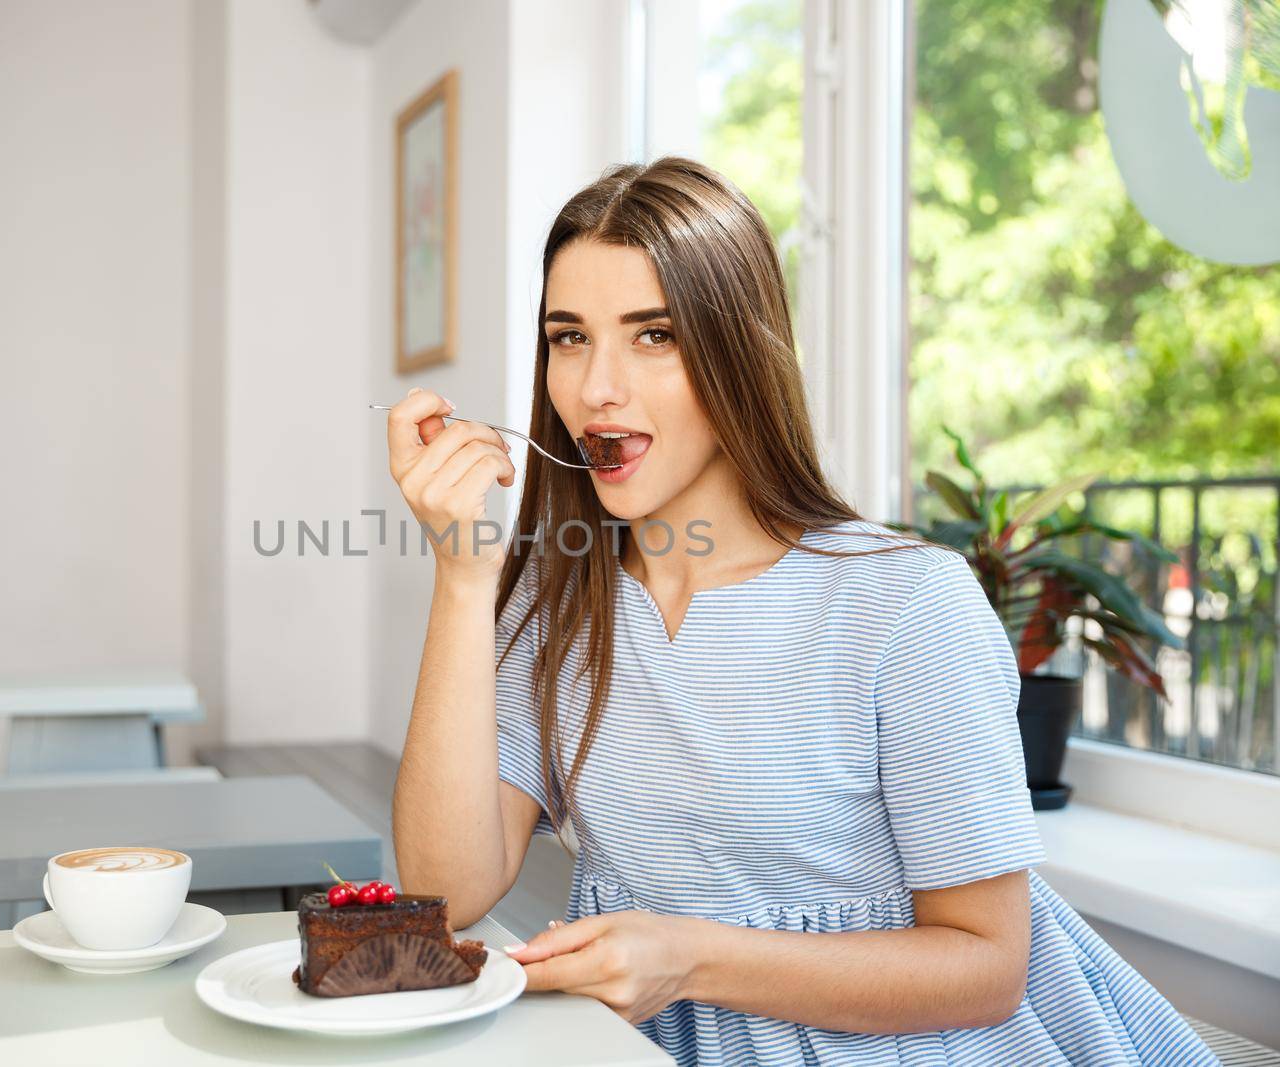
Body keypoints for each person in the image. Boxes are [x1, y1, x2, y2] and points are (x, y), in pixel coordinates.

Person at [383, 157, 1217, 1066]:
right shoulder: (559, 606)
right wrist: (464, 578)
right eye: (569, 336)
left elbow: (989, 965)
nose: (595, 389)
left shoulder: (906, 602)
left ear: (740, 349)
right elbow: (445, 887)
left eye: (653, 334)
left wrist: (689, 956)